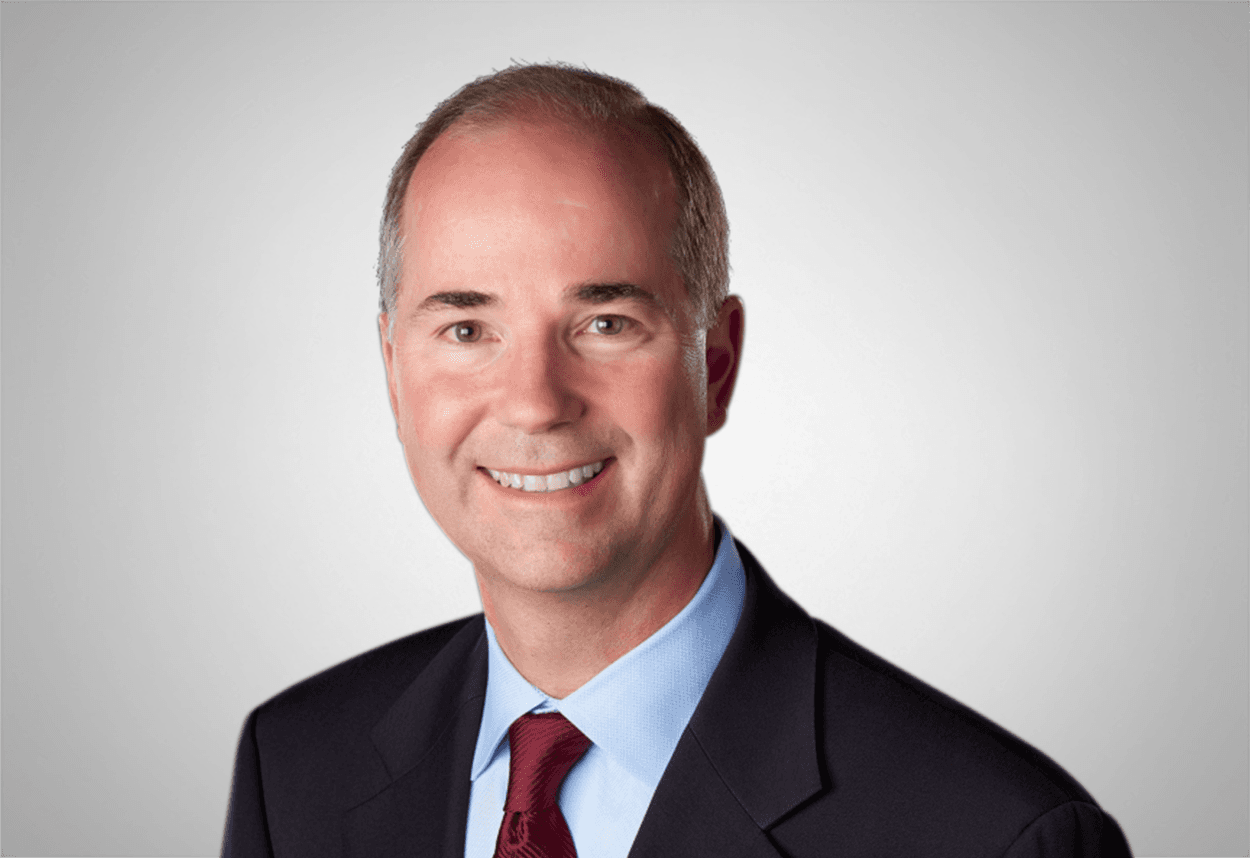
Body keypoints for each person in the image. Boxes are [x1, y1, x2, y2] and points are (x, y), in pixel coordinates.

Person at [221, 63, 1132, 858]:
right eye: (467, 328)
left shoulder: (997, 835)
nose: (536, 400)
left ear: (717, 364)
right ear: (393, 372)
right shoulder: (294, 768)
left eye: (606, 324)